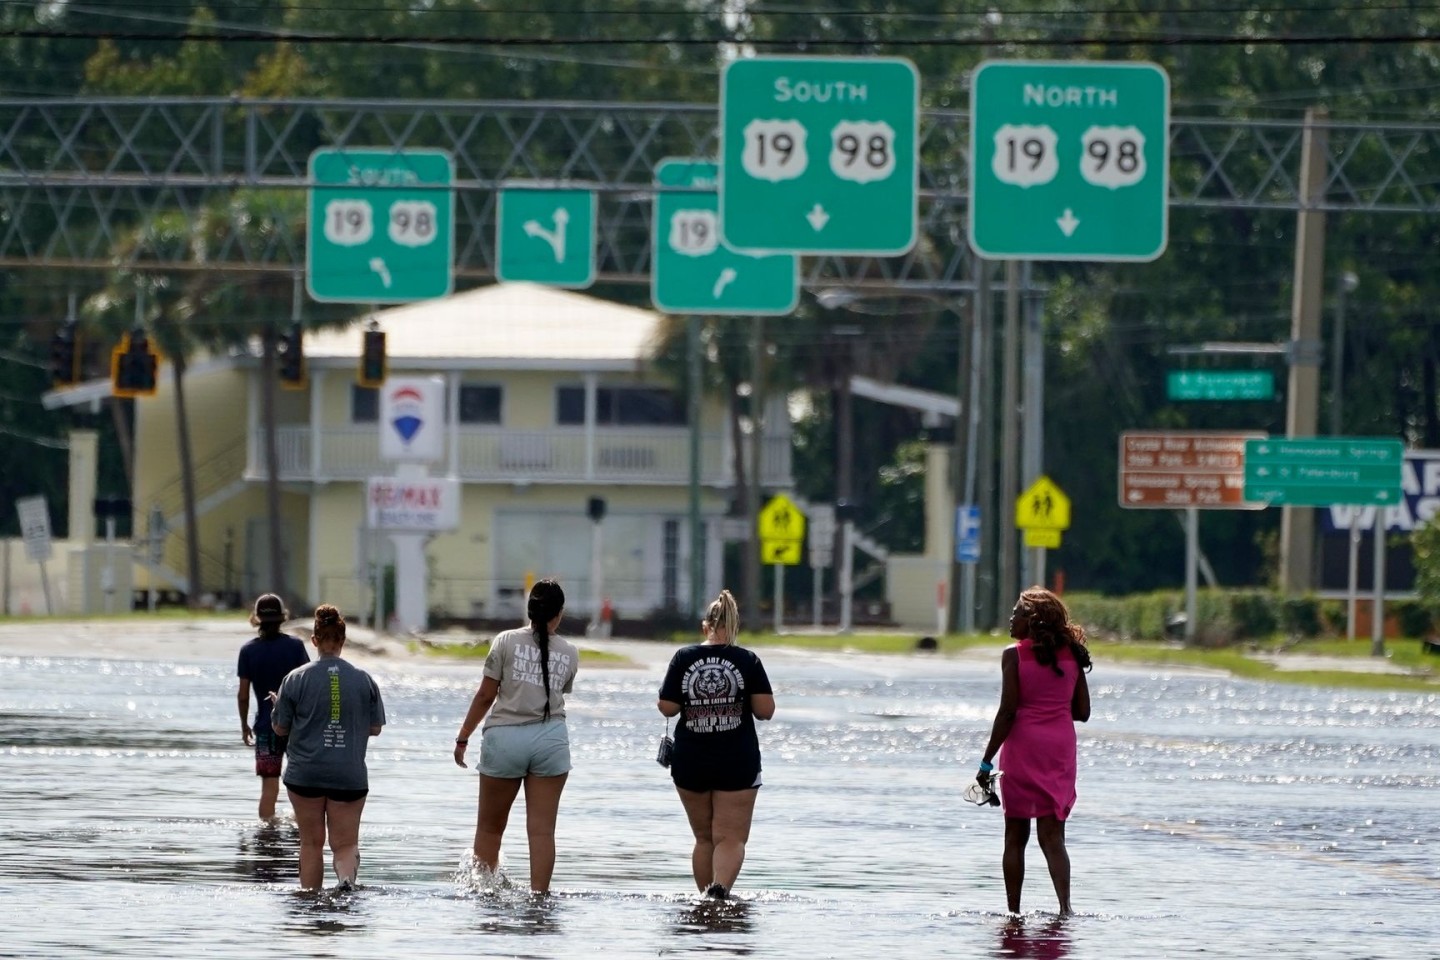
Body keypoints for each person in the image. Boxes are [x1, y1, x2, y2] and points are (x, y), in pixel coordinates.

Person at [453, 578, 579, 894]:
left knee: (490, 829)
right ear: (559, 614)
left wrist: (463, 736)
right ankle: (540, 898)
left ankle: (484, 896)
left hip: (505, 740)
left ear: (529, 609)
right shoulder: (570, 652)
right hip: (551, 741)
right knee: (542, 833)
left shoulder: (506, 641)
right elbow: (558, 691)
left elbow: (485, 695)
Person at [977, 586, 1092, 916]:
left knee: (1015, 835)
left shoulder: (1013, 655)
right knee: (1053, 835)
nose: (1012, 618)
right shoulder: (1072, 654)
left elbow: (1008, 711)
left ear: (1033, 620)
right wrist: (1052, 705)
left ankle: (1013, 912)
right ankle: (1066, 908)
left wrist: (986, 760)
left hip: (1022, 747)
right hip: (1058, 749)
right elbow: (1082, 711)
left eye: (1018, 612)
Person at [657, 589, 775, 900]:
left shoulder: (684, 657)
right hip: (737, 761)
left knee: (703, 838)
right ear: (735, 626)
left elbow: (668, 707)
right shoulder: (748, 660)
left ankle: (704, 902)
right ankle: (719, 893)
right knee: (731, 838)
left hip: (691, 759)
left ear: (705, 625)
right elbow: (765, 711)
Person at [270, 604, 386, 891]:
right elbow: (375, 728)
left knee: (311, 843)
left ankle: (310, 901)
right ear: (343, 642)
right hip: (348, 773)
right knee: (345, 844)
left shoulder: (295, 679)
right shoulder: (364, 679)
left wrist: (279, 709)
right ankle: (346, 886)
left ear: (315, 641)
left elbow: (280, 728)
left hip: (305, 773)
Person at [236, 593, 310, 819]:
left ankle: (265, 840)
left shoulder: (248, 651)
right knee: (301, 786)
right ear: (283, 618)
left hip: (266, 728)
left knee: (269, 787)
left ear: (256, 619)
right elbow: (308, 683)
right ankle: (302, 834)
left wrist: (244, 726)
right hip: (296, 728)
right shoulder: (295, 647)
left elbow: (243, 695)